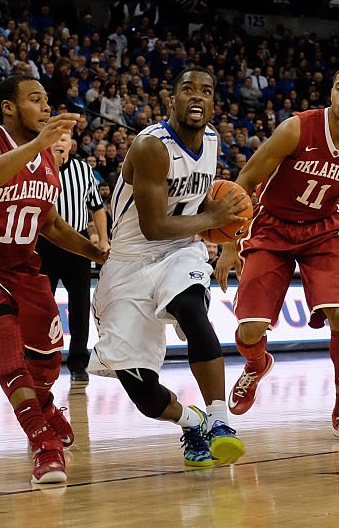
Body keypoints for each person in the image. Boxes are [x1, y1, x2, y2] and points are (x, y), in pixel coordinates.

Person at [216, 65, 339, 443]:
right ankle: (256, 365)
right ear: (331, 93)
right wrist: (229, 243)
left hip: (325, 232)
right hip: (272, 226)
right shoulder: (296, 128)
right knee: (249, 329)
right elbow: (245, 179)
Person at [0, 75, 108, 485]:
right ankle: (41, 440)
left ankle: (46, 403)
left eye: (48, 100)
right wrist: (35, 144)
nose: (46, 107)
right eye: (35, 99)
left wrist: (93, 250)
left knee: (47, 362)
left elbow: (49, 222)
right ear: (9, 107)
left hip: (24, 272)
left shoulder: (47, 159)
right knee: (4, 329)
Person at [89, 66, 248, 469]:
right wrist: (214, 222)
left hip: (181, 251)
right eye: (187, 89)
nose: (197, 97)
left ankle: (219, 421)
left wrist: (228, 244)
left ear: (214, 102)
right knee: (143, 394)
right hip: (128, 263)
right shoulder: (150, 147)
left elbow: (212, 209)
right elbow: (154, 225)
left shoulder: (211, 140)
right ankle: (191, 421)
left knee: (193, 310)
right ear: (171, 99)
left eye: (206, 91)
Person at [37, 135, 109, 383]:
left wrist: (104, 239)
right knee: (42, 304)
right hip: (44, 242)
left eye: (64, 139)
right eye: (54, 138)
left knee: (79, 303)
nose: (59, 142)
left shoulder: (83, 169)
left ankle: (79, 359)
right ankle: (42, 356)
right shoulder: (37, 166)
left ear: (71, 145)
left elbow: (97, 207)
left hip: (77, 243)